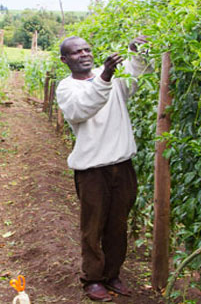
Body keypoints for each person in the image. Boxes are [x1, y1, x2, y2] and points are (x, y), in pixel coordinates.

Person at [56, 36, 152, 302]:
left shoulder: (110, 76)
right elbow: (81, 110)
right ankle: (92, 279)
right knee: (92, 227)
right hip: (92, 171)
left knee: (118, 225)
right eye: (76, 52)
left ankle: (112, 275)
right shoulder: (67, 88)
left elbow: (137, 76)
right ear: (65, 60)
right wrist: (106, 76)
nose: (84, 54)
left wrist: (137, 52)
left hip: (122, 165)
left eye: (87, 50)